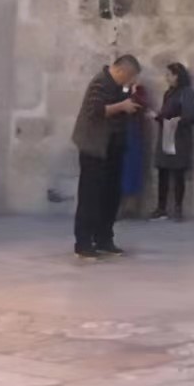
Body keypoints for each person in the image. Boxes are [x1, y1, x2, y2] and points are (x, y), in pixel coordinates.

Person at [71, 55, 141, 259]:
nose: (130, 81)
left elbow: (122, 106)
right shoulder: (100, 82)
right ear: (120, 71)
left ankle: (104, 239)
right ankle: (83, 243)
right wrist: (122, 106)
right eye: (129, 77)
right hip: (94, 148)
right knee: (90, 196)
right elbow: (95, 110)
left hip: (113, 148)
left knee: (111, 196)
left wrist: (129, 99)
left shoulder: (120, 86)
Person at [150, 62, 194, 221]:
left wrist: (175, 120)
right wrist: (159, 117)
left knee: (178, 173)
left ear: (177, 76)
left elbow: (191, 116)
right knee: (163, 172)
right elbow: (166, 113)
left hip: (179, 138)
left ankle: (178, 209)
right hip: (167, 135)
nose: (167, 78)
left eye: (169, 75)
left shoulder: (187, 93)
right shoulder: (169, 93)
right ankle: (161, 208)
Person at [117, 80, 152, 220]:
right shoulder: (116, 88)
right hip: (119, 133)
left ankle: (131, 208)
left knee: (132, 172)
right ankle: (118, 208)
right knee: (118, 172)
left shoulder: (139, 90)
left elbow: (142, 105)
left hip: (133, 133)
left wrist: (133, 94)